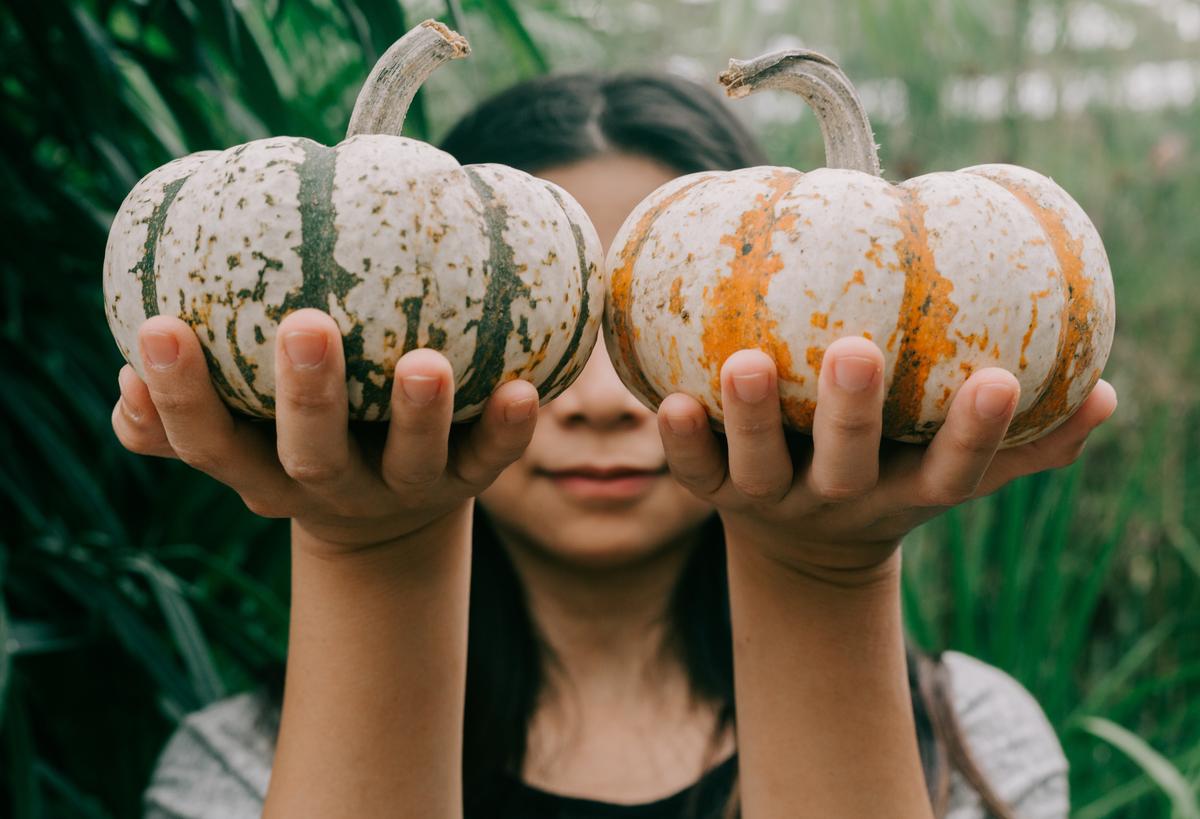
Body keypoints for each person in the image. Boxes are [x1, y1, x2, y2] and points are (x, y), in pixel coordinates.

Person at [118, 71, 1117, 819]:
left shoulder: (969, 743)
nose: (602, 400)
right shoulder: (242, 766)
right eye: (548, 314)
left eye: (659, 315)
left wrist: (825, 574)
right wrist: (368, 551)